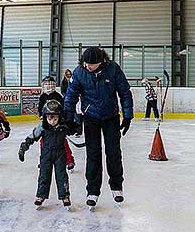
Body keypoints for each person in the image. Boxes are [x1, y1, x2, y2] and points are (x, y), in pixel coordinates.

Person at [64, 46, 133, 210]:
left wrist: (128, 115)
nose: (88, 66)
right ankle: (92, 191)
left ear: (101, 61)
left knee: (113, 152)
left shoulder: (113, 69)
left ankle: (116, 186)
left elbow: (124, 92)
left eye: (92, 64)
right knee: (93, 154)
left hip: (111, 117)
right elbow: (71, 96)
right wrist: (69, 117)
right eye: (86, 63)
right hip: (91, 118)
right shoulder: (80, 72)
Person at [18, 100, 75, 209]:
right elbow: (32, 137)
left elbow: (75, 129)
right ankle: (41, 195)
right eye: (49, 118)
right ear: (45, 117)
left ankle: (65, 196)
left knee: (62, 175)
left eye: (55, 118)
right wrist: (24, 147)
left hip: (60, 154)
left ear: (60, 117)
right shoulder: (43, 127)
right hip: (46, 154)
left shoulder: (63, 127)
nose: (52, 121)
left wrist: (74, 124)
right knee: (44, 175)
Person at [38, 76, 76, 172]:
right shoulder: (42, 97)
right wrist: (41, 115)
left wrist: (63, 120)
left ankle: (69, 160)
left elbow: (63, 108)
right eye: (46, 84)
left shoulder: (58, 96)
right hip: (47, 124)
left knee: (62, 142)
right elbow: (40, 108)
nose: (49, 86)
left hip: (58, 123)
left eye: (51, 84)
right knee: (43, 142)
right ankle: (44, 160)